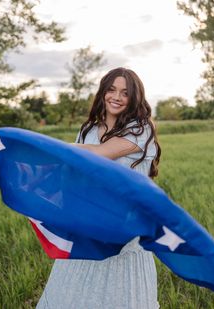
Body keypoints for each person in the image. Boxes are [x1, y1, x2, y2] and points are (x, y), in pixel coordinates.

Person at [36, 67, 161, 309]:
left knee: (119, 291)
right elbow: (75, 171)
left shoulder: (141, 129)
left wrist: (42, 145)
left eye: (125, 93)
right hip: (89, 222)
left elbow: (100, 154)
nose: (117, 97)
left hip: (125, 224)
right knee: (76, 290)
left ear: (134, 97)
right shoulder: (88, 130)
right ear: (103, 92)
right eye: (112, 89)